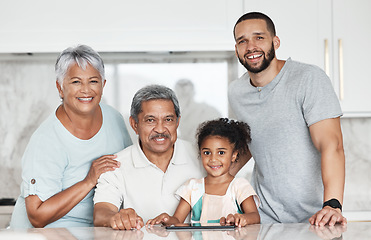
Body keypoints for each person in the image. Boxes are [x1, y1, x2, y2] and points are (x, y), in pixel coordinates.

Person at [228, 12, 347, 226]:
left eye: (259, 37)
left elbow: (332, 144)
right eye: (242, 41)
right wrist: (208, 180)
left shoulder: (308, 78)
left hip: (316, 218)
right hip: (264, 218)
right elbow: (250, 143)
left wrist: (332, 204)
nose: (251, 46)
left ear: (276, 42)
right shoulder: (236, 92)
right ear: (236, 49)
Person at [10, 45, 132, 228]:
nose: (86, 90)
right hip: (45, 233)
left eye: (93, 81)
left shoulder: (114, 118)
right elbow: (37, 216)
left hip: (92, 230)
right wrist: (89, 180)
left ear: (103, 85)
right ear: (60, 87)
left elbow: (129, 169)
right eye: (76, 82)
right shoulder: (46, 140)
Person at [93, 85, 205, 230]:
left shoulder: (204, 156)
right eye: (150, 120)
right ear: (134, 124)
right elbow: (101, 213)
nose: (160, 129)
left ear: (177, 122)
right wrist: (116, 217)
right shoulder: (115, 165)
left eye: (168, 120)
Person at [147, 118, 260, 227]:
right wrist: (167, 219)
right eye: (207, 153)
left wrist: (242, 219)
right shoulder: (192, 187)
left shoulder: (239, 186)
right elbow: (177, 220)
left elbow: (255, 216)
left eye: (221, 152)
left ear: (233, 155)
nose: (213, 159)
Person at [174, 79, 221, 143]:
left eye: (186, 93)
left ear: (193, 93)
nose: (183, 96)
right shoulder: (177, 115)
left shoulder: (207, 111)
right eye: (180, 93)